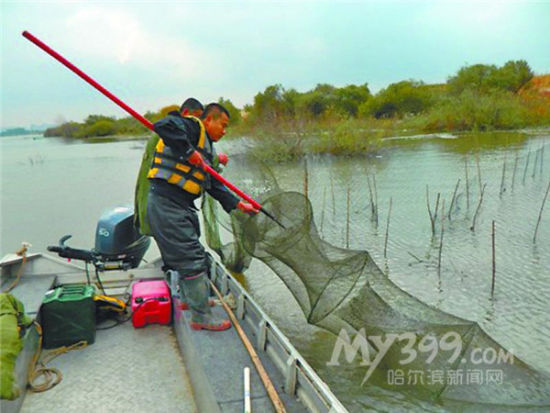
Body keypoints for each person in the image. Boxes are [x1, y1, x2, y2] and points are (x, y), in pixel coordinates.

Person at [146, 103, 259, 331]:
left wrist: (239, 205)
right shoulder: (191, 127)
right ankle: (201, 317)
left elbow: (214, 185)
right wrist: (189, 153)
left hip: (181, 206)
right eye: (222, 125)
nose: (224, 131)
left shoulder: (207, 150)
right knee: (192, 259)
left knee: (190, 254)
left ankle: (190, 301)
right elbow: (163, 125)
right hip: (166, 204)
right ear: (208, 120)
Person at [134, 98, 205, 235]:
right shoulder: (170, 133)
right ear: (186, 113)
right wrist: (190, 152)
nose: (198, 123)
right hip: (156, 197)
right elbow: (163, 126)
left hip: (162, 200)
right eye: (197, 117)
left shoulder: (177, 135)